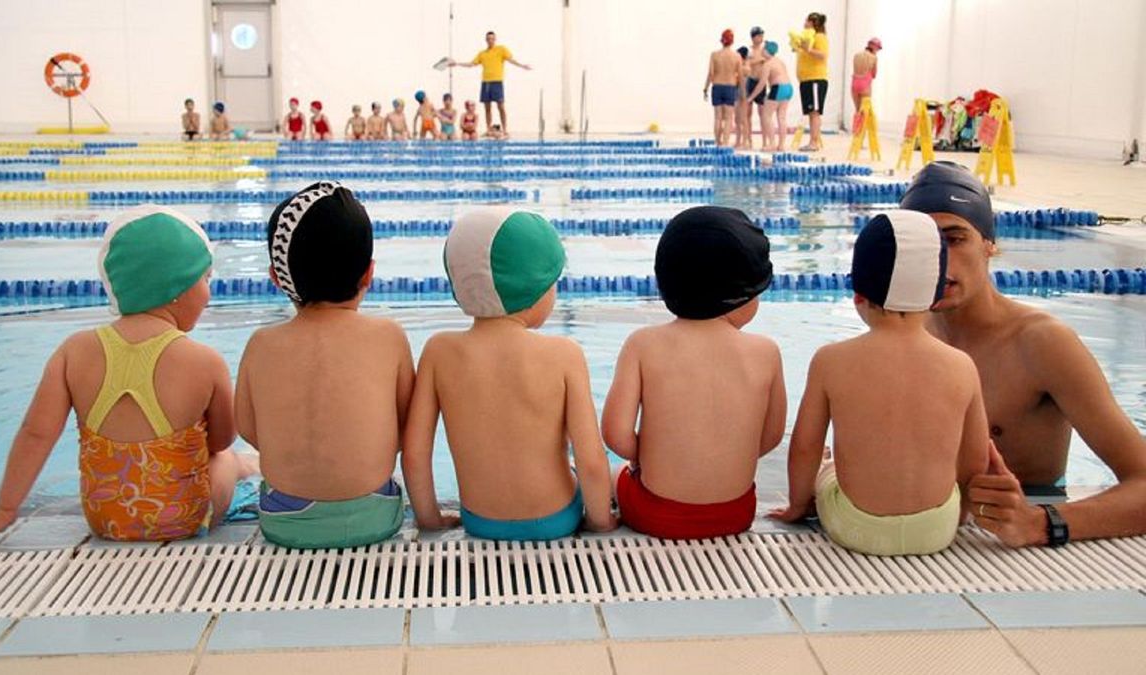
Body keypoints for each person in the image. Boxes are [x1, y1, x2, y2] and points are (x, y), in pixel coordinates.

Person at [0, 205, 257, 553]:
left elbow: (36, 433)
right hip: (183, 517)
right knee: (227, 459)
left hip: (105, 518)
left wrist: (5, 510)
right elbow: (219, 440)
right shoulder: (205, 361)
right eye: (205, 279)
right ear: (178, 285)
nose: (209, 292)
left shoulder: (74, 351)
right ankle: (245, 467)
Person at [900, 161, 1146, 546]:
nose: (938, 259)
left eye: (954, 238)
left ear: (989, 244)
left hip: (1018, 543)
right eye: (925, 243)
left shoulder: (1042, 344)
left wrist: (1042, 523)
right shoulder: (903, 336)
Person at [772, 210, 990, 556]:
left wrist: (798, 506)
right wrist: (960, 514)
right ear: (935, 296)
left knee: (827, 466)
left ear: (858, 293)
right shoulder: (961, 365)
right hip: (937, 529)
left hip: (857, 528)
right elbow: (975, 458)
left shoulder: (832, 359)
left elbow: (804, 447)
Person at [402, 208, 617, 540]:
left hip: (480, 521)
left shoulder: (438, 352)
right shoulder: (563, 355)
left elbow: (415, 456)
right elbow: (590, 461)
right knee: (615, 478)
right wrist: (600, 524)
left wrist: (431, 521)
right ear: (535, 290)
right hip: (556, 519)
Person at [236, 183, 413, 549]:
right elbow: (406, 424)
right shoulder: (388, 336)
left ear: (275, 277)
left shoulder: (261, 344)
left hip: (284, 522)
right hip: (374, 515)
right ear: (369, 274)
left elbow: (248, 429)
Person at [603, 206, 785, 539]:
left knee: (611, 474)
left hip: (655, 514)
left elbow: (615, 435)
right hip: (735, 514)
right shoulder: (766, 353)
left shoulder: (643, 344)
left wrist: (654, 456)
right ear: (742, 295)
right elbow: (771, 436)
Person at [448, 31, 531, 137]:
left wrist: (522, 65)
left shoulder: (501, 49)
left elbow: (511, 60)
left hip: (497, 82)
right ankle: (488, 129)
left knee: (501, 106)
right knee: (487, 108)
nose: (490, 40)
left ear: (495, 39)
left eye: (492, 38)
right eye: (488, 39)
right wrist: (457, 63)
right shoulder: (482, 54)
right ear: (486, 40)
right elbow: (471, 64)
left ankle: (505, 129)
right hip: (486, 83)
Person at [745, 41, 793, 151]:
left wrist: (751, 97)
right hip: (788, 88)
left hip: (778, 88)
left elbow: (762, 84)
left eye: (763, 48)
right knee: (782, 117)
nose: (761, 50)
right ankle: (781, 145)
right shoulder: (780, 61)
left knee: (766, 116)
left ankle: (771, 144)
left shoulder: (768, 64)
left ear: (767, 51)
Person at [795, 12, 830, 151]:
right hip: (806, 79)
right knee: (810, 112)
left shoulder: (820, 37)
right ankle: (812, 141)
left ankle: (814, 142)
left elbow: (823, 55)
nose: (804, 23)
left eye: (807, 20)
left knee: (814, 112)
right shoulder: (808, 37)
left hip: (816, 79)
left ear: (813, 23)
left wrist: (807, 49)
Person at [703, 29, 741, 147]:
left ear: (722, 40)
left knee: (718, 117)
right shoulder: (736, 56)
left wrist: (705, 88)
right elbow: (739, 75)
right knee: (729, 118)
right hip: (730, 87)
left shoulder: (714, 55)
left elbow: (711, 73)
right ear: (732, 41)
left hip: (717, 87)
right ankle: (725, 143)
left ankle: (718, 142)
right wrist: (739, 89)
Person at [736, 27, 768, 150]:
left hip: (761, 83)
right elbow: (746, 64)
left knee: (763, 114)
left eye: (762, 35)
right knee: (747, 114)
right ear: (754, 37)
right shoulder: (749, 51)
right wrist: (759, 60)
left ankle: (765, 141)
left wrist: (759, 60)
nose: (761, 38)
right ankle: (748, 140)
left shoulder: (765, 50)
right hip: (750, 82)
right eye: (759, 36)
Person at [851, 38, 881, 115]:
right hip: (865, 85)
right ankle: (864, 127)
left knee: (857, 111)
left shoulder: (856, 55)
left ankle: (856, 127)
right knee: (864, 112)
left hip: (854, 84)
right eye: (878, 49)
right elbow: (874, 75)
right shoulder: (874, 58)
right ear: (875, 47)